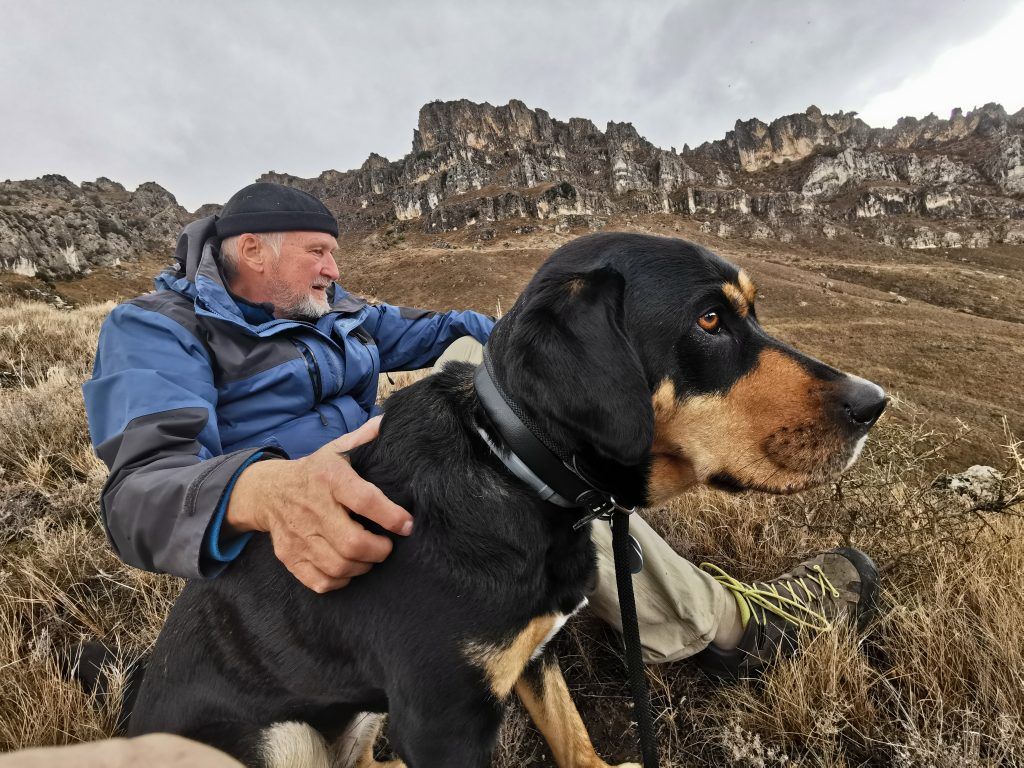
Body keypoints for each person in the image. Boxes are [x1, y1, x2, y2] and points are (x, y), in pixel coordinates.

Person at [41, 181, 872, 765]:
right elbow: (139, 491)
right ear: (250, 249)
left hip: (402, 496)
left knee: (497, 383)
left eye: (336, 254)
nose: (334, 269)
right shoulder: (157, 330)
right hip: (293, 546)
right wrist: (265, 490)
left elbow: (451, 333)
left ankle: (660, 615)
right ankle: (717, 625)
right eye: (319, 253)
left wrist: (568, 336)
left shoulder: (339, 313)